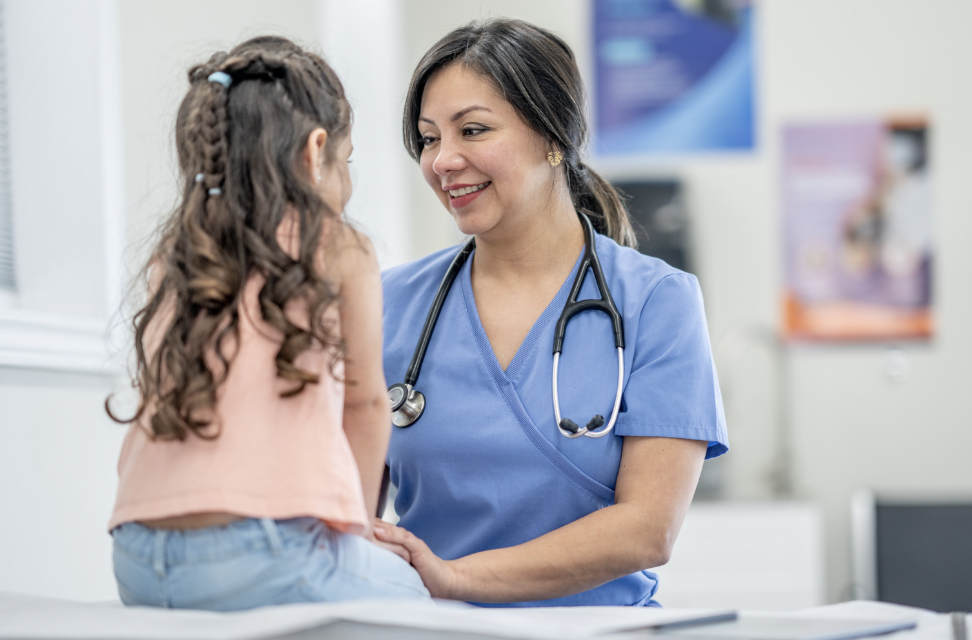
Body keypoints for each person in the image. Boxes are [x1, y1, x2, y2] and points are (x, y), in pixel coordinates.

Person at [374, 19, 729, 607]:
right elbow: (350, 515)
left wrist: (458, 579)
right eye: (429, 138)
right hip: (435, 629)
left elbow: (648, 529)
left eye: (474, 130)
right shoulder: (390, 304)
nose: (443, 160)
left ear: (553, 137)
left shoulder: (656, 301)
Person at [106, 36, 429, 611]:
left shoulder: (179, 253)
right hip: (262, 556)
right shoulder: (340, 246)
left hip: (136, 555)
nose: (347, 184)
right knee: (416, 593)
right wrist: (352, 531)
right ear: (316, 150)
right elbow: (366, 405)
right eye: (346, 163)